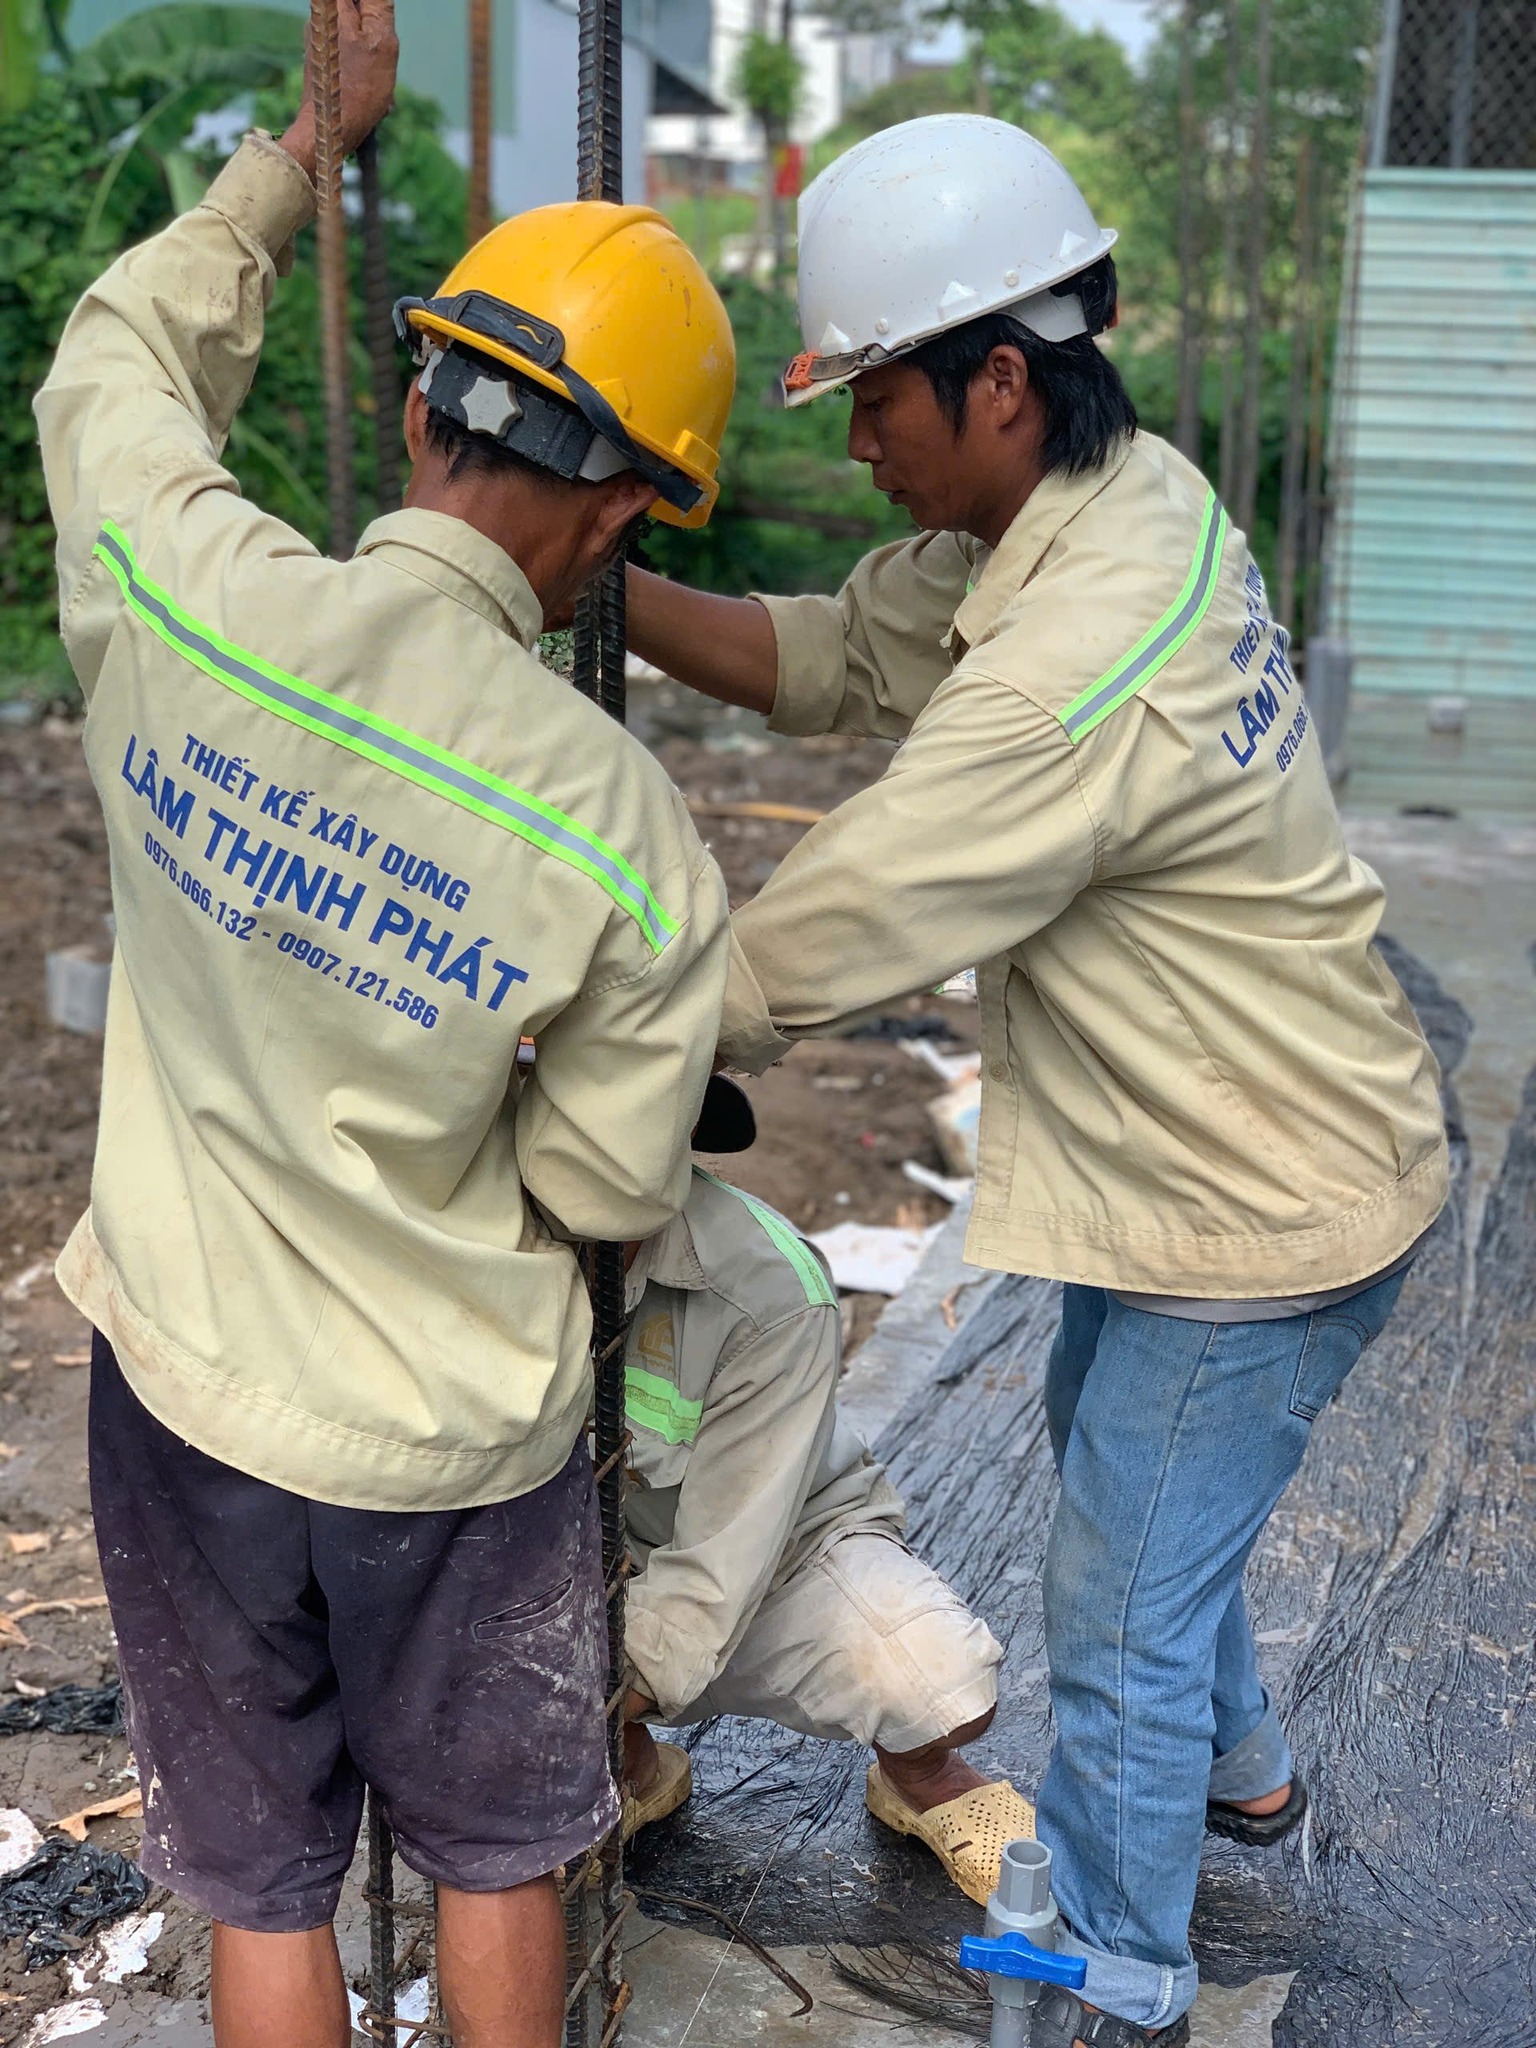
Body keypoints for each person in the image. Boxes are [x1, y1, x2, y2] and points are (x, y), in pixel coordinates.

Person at [624, 115, 1448, 2048]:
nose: (855, 443)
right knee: (1110, 1447)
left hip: (1254, 1206)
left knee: (1122, 1595)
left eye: (874, 396)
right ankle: (1243, 1769)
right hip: (1243, 1139)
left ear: (999, 378)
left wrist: (603, 1034)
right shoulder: (1125, 502)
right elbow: (836, 653)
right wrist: (593, 590)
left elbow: (839, 923)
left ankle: (1121, 1962)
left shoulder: (1074, 669)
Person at [34, 6, 735, 2045]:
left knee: (262, 1873)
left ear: (428, 406)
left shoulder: (189, 595)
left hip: (187, 1378)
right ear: (623, 518)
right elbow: (600, 1185)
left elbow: (114, 358)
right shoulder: (627, 836)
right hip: (453, 1434)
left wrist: (300, 156)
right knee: (499, 1848)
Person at [617, 1077, 1033, 1905]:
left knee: (942, 1685)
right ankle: (631, 1765)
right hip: (585, 1565)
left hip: (779, 1554)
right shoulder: (488, 1248)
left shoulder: (766, 1285)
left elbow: (719, 1566)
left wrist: (590, 1695)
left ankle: (920, 1770)